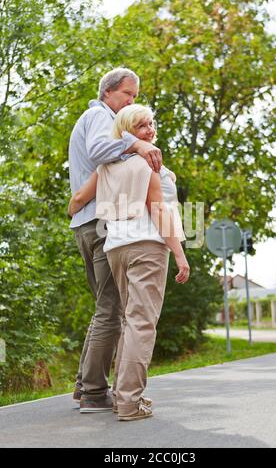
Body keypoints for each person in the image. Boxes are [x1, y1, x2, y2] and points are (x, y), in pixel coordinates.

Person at [69, 104, 190, 421]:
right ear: (126, 132)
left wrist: (81, 217)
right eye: (142, 126)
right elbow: (160, 211)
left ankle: (125, 396)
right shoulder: (150, 164)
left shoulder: (107, 166)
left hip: (116, 248)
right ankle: (128, 403)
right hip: (147, 246)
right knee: (141, 324)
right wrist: (179, 254)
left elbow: (78, 201)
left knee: (129, 322)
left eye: (151, 124)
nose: (150, 130)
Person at [68, 68, 162, 414]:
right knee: (111, 310)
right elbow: (98, 151)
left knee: (106, 309)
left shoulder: (108, 122)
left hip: (92, 222)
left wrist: (77, 200)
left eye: (135, 97)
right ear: (108, 92)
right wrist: (136, 143)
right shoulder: (98, 115)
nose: (132, 102)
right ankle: (94, 391)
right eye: (128, 95)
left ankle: (85, 386)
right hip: (99, 225)